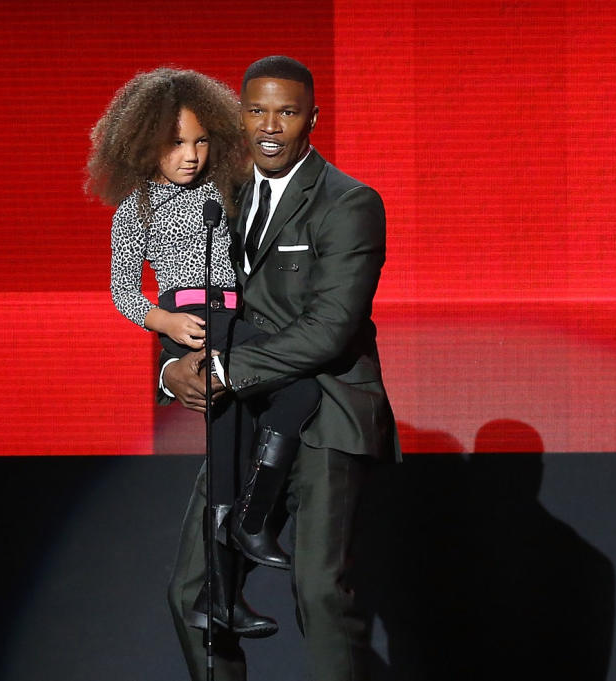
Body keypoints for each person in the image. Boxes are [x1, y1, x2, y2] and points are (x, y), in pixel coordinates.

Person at [163, 56, 400, 681]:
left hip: (325, 414)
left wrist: (225, 367)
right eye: (257, 110)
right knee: (195, 596)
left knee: (319, 593)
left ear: (312, 119)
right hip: (242, 416)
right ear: (239, 115)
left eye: (287, 112)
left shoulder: (349, 204)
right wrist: (172, 368)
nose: (270, 126)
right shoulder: (216, 194)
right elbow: (186, 290)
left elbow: (330, 329)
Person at [86, 68, 323, 637]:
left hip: (236, 315)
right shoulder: (137, 207)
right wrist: (162, 319)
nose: (189, 155)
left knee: (231, 451)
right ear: (143, 143)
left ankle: (219, 595)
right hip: (189, 320)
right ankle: (253, 520)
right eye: (174, 143)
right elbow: (123, 288)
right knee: (298, 386)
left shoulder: (227, 192)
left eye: (199, 140)